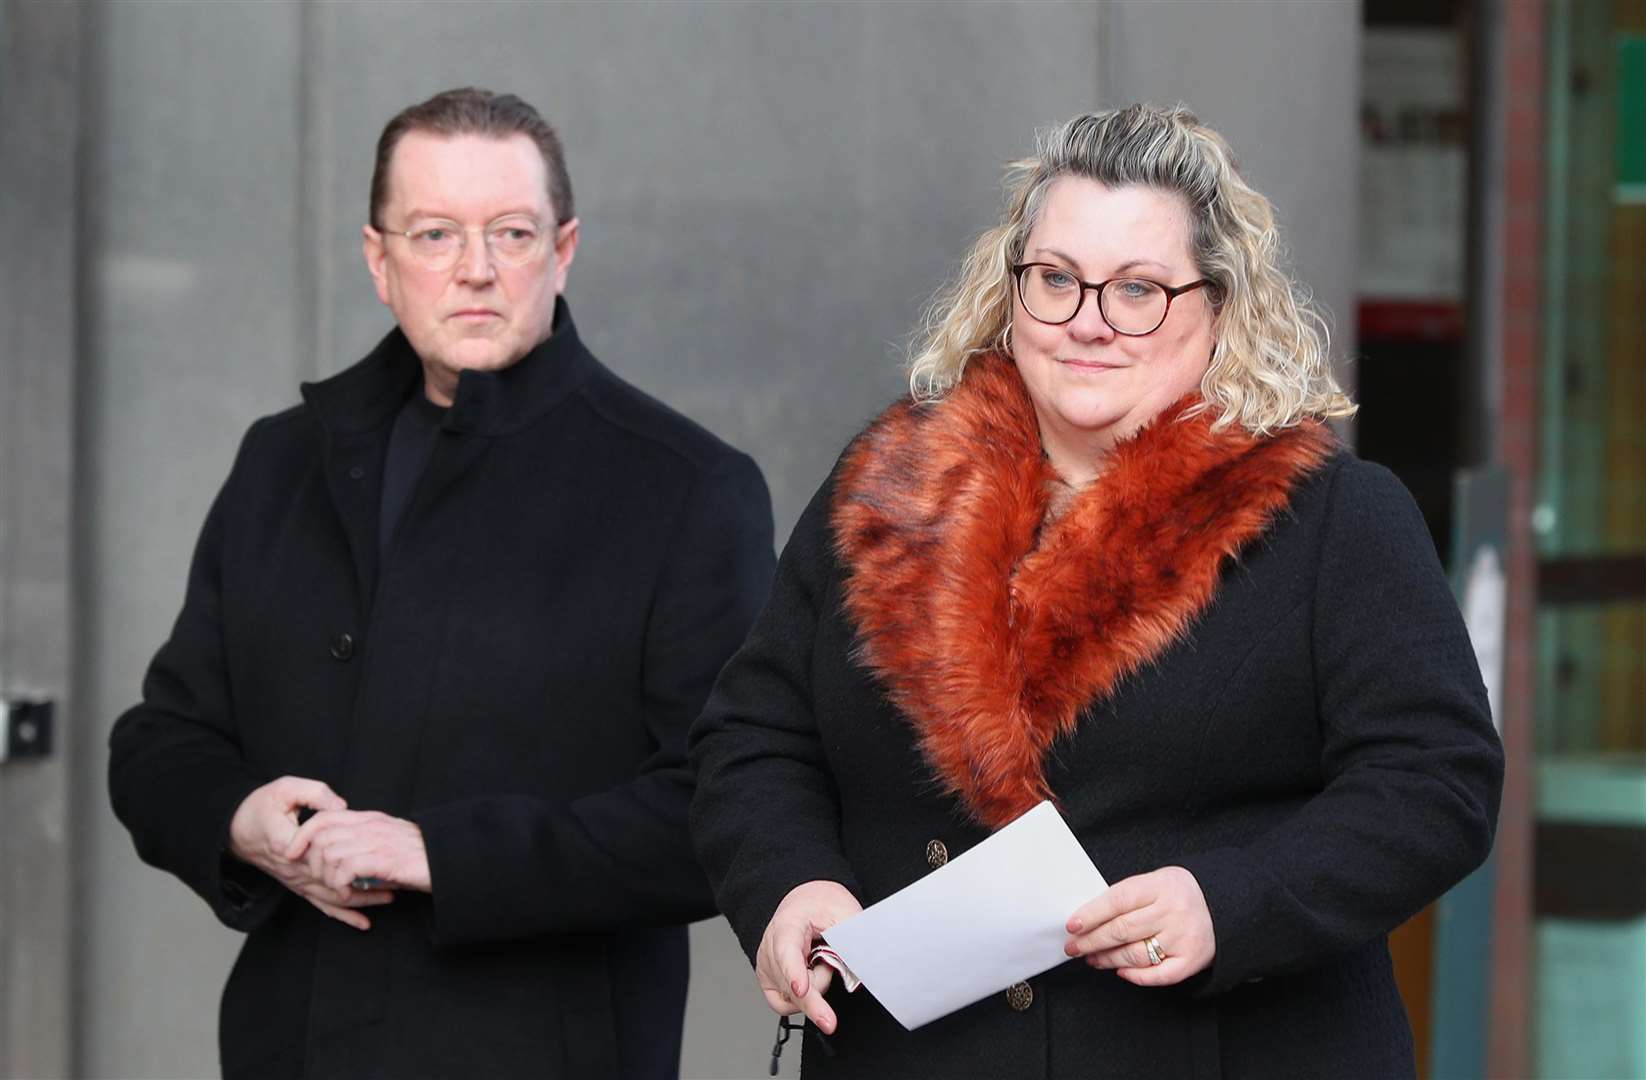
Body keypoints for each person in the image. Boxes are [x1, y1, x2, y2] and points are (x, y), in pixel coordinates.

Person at [688, 103, 1503, 1079]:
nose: (1087, 322)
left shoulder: (1332, 518)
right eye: (1056, 281)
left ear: (1217, 305)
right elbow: (753, 734)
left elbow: (1435, 783)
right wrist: (788, 886)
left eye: (1137, 291)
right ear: (1009, 290)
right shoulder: (889, 489)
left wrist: (1229, 903)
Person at [108, 87, 774, 1080]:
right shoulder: (281, 462)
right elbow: (158, 741)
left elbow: (718, 811)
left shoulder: (684, 488)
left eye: (510, 232)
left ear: (565, 249)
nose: (474, 269)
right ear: (379, 261)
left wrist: (443, 855)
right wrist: (241, 822)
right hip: (290, 1046)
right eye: (433, 234)